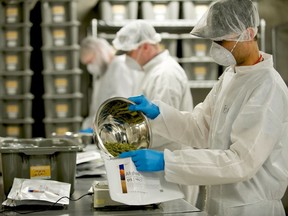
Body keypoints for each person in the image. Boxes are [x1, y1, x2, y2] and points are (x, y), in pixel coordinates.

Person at [119, 0, 288, 215]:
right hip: (219, 203)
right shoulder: (231, 76)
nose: (215, 47)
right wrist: (158, 113)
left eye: (221, 39)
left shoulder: (267, 86)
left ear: (248, 33)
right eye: (213, 40)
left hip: (250, 207)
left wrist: (166, 161)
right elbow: (201, 128)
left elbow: (240, 162)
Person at [112, 20, 198, 205]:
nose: (127, 57)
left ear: (145, 47)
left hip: (170, 168)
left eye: (129, 51)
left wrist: (124, 142)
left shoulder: (165, 75)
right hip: (158, 167)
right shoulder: (152, 71)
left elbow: (164, 127)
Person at [80, 36, 141, 130]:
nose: (90, 66)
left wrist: (101, 125)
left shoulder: (119, 65)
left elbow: (121, 102)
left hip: (120, 128)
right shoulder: (104, 71)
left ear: (100, 52)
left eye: (90, 61)